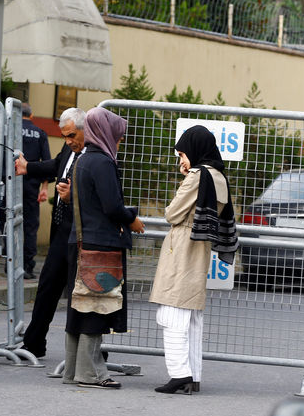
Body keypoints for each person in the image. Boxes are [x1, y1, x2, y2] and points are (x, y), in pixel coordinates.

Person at [149, 125, 239, 394]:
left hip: (183, 245)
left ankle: (179, 374)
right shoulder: (219, 176)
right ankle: (192, 376)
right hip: (200, 247)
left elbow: (172, 213)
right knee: (191, 315)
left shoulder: (198, 176)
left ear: (194, 150)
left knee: (173, 311)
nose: (181, 161)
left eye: (182, 155)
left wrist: (187, 177)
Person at [63, 107, 145, 389]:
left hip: (82, 242)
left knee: (81, 307)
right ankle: (92, 373)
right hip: (101, 245)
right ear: (106, 134)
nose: (119, 142)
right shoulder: (103, 163)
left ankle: (74, 370)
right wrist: (132, 218)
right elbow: (111, 206)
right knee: (97, 306)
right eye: (117, 137)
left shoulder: (82, 160)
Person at [15, 107, 86, 359]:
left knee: (79, 294)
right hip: (60, 232)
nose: (68, 141)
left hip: (80, 235)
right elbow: (56, 165)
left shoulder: (97, 153)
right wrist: (28, 168)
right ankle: (34, 343)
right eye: (65, 136)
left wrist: (73, 196)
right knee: (47, 287)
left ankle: (86, 349)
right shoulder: (70, 149)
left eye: (71, 135)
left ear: (84, 129)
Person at [20, 103, 51, 279]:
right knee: (30, 226)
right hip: (32, 184)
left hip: (11, 183)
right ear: (31, 116)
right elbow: (46, 162)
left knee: (10, 222)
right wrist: (44, 188)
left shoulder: (10, 129)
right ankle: (28, 266)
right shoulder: (40, 133)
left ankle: (11, 263)